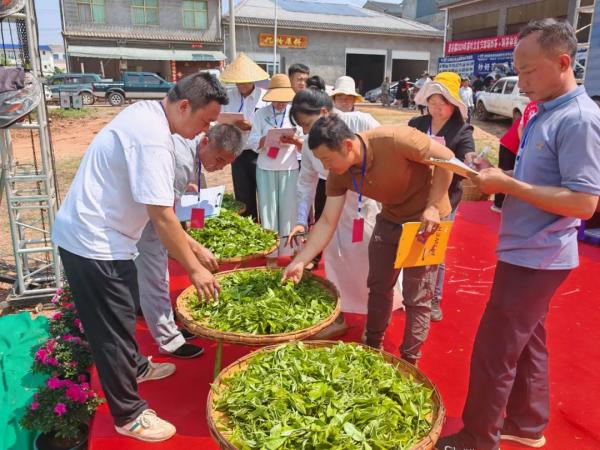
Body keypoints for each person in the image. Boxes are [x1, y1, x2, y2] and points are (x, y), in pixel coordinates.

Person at [437, 19, 600, 450]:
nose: (521, 82)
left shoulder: (580, 120)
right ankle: (527, 424)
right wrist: (498, 174)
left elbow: (585, 202)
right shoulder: (546, 113)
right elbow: (542, 181)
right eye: (518, 70)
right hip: (530, 249)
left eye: (528, 71)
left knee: (495, 351)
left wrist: (509, 186)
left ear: (563, 63)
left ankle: (476, 437)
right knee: (528, 343)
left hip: (537, 255)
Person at [52, 73, 229, 442]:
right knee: (111, 330)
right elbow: (162, 216)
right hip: (95, 243)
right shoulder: (153, 140)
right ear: (184, 106)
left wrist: (195, 248)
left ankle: (137, 366)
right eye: (205, 120)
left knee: (121, 315)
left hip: (109, 238)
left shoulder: (149, 115)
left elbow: (161, 215)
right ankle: (128, 415)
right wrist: (194, 270)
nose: (205, 129)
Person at [282, 115, 454, 365]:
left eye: (327, 159)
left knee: (417, 295)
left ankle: (409, 361)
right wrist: (301, 260)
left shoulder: (395, 139)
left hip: (426, 221)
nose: (326, 167)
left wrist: (434, 207)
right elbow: (328, 221)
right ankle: (373, 346)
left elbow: (447, 159)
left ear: (348, 145)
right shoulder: (338, 174)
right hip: (391, 217)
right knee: (378, 285)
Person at [287, 88, 403, 337]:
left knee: (372, 265)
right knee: (335, 262)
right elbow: (306, 182)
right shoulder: (310, 144)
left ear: (324, 112)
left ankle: (376, 321)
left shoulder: (359, 121)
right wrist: (300, 219)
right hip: (334, 203)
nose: (305, 133)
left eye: (307, 124)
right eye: (302, 128)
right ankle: (337, 316)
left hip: (367, 204)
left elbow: (384, 151)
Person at [135, 125, 242, 359]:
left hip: (148, 212)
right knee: (155, 274)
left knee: (151, 271)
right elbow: (163, 218)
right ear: (205, 142)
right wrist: (195, 253)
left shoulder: (193, 144)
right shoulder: (182, 158)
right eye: (219, 159)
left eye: (225, 164)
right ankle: (169, 341)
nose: (219, 167)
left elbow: (190, 184)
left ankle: (152, 314)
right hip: (141, 218)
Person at [411, 72, 475, 323]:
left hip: (445, 198)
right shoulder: (416, 124)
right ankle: (413, 295)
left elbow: (467, 154)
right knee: (413, 242)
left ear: (453, 105)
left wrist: (471, 161)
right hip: (416, 193)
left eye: (443, 104)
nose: (436, 109)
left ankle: (433, 299)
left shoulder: (462, 129)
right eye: (432, 103)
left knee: (436, 249)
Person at [248, 74, 302, 267]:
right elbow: (252, 141)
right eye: (277, 98)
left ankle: (290, 251)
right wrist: (266, 139)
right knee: (268, 210)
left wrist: (294, 140)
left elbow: (304, 143)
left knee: (289, 210)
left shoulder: (295, 114)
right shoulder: (260, 114)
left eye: (284, 98)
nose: (280, 103)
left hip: (289, 167)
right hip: (266, 167)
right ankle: (271, 254)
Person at [220, 53, 269, 221]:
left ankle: (266, 225)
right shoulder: (229, 97)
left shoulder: (265, 98)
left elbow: (270, 124)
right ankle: (249, 226)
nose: (241, 85)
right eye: (238, 81)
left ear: (253, 79)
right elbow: (221, 121)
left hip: (259, 151)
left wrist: (252, 127)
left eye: (245, 81)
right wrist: (232, 125)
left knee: (264, 192)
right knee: (243, 194)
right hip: (238, 152)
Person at [492, 100, 538, 212]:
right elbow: (520, 129)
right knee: (506, 174)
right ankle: (498, 205)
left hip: (512, 145)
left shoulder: (533, 105)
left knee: (508, 174)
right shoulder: (538, 107)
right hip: (510, 146)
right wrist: (524, 150)